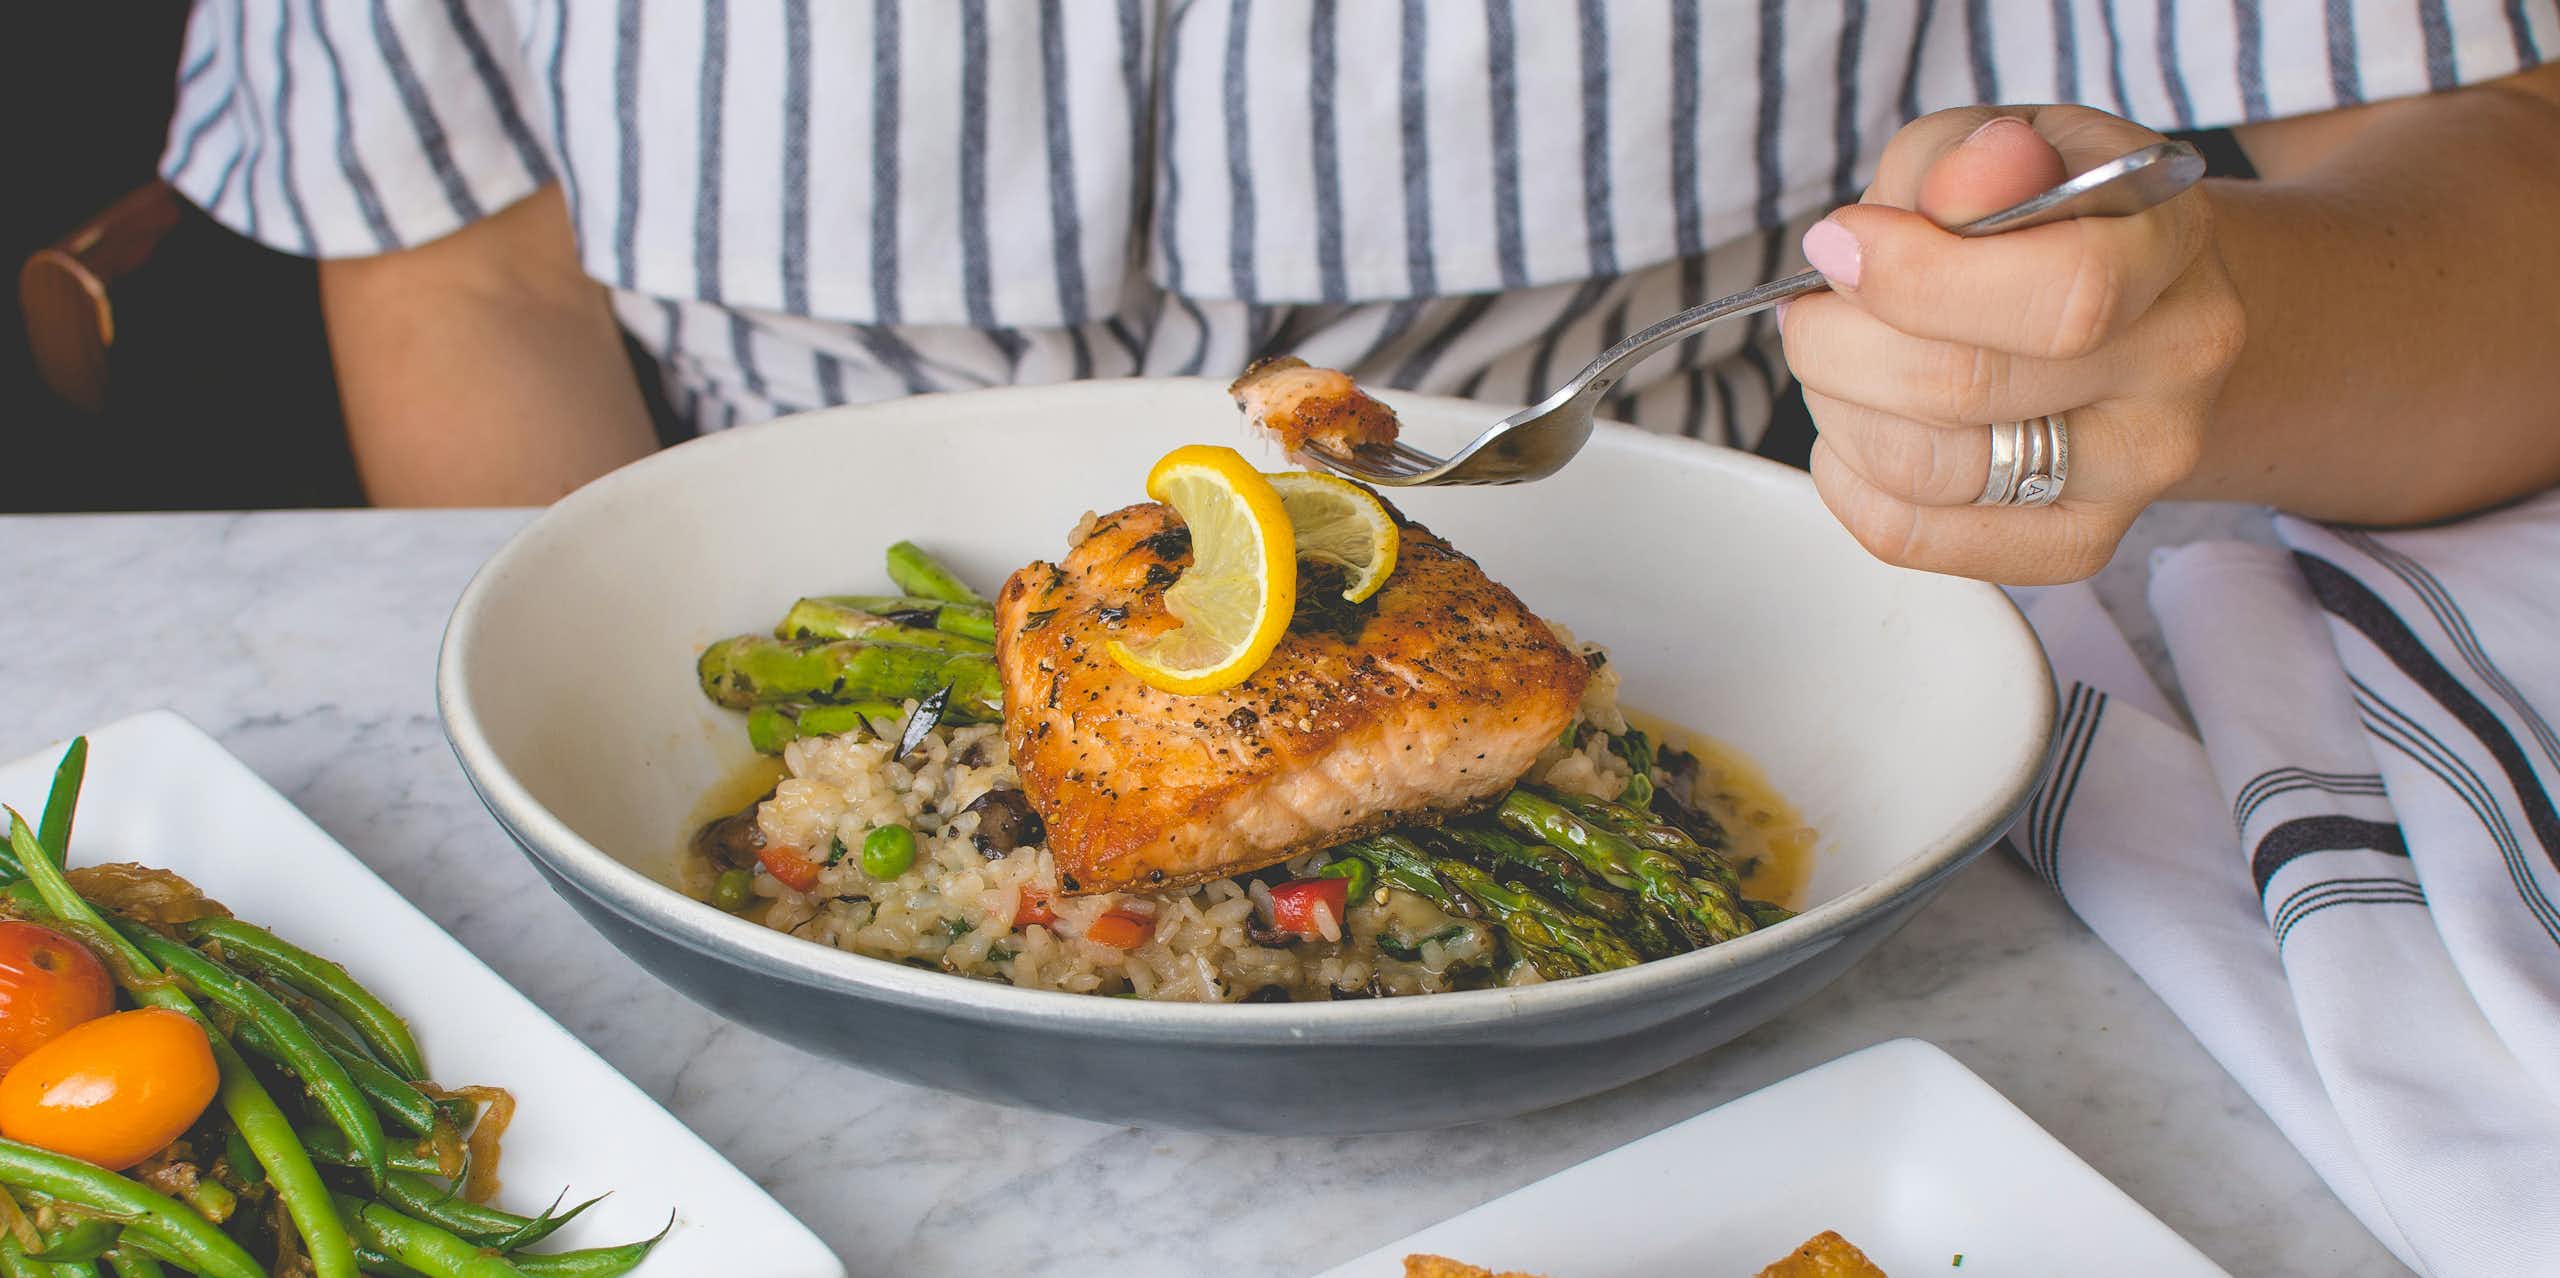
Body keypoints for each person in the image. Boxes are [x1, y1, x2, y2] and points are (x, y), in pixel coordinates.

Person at [162, 2, 2560, 584]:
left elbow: (2500, 198)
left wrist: (2170, 333)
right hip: (785, 658)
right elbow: (473, 292)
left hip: (1756, 630)